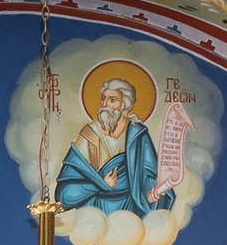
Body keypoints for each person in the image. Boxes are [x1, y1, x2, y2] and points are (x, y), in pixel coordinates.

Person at [56, 77, 174, 218]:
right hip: (95, 211)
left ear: (124, 105)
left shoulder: (137, 134)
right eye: (103, 99)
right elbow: (64, 193)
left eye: (112, 100)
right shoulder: (90, 134)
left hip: (131, 209)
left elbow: (149, 174)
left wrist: (152, 192)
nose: (105, 104)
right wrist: (101, 184)